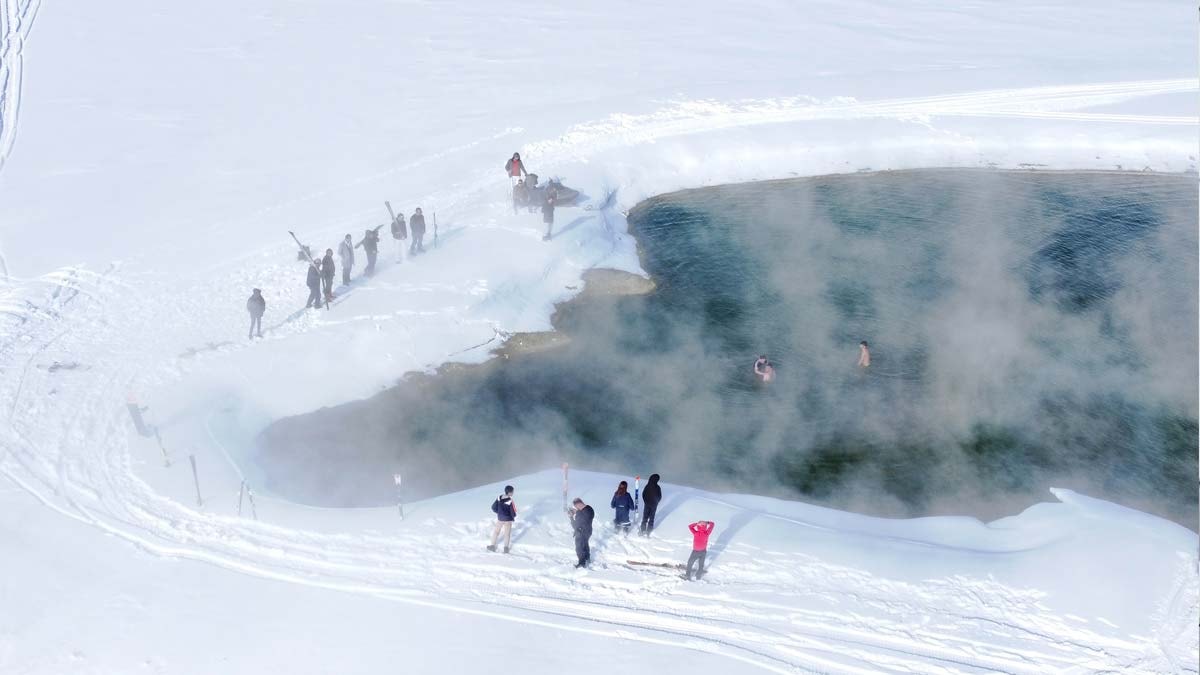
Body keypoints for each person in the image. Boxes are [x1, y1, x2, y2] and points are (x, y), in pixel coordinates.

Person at [487, 485, 517, 553]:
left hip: (500, 518)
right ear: (509, 492)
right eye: (512, 492)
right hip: (508, 520)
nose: (513, 493)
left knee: (496, 532)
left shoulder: (499, 497)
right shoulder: (510, 500)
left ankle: (492, 546)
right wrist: (513, 517)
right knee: (507, 534)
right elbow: (513, 511)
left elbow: (493, 507)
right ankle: (506, 548)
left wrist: (499, 512)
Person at [569, 497, 594, 568]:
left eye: (576, 506)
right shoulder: (587, 509)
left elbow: (583, 518)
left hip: (583, 532)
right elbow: (575, 525)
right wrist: (571, 517)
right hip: (585, 531)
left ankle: (582, 563)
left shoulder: (587, 510)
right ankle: (587, 558)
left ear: (579, 504)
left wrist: (575, 513)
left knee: (579, 548)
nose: (576, 507)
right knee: (585, 545)